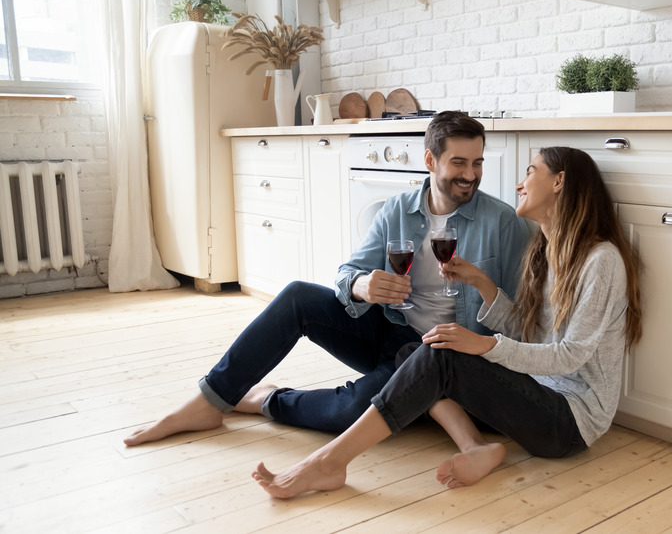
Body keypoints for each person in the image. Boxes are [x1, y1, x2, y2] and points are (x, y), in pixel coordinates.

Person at [249, 145, 643, 498]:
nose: (520, 184)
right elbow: (529, 334)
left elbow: (570, 356)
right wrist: (481, 282)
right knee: (418, 348)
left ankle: (329, 462)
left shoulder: (600, 260)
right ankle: (474, 446)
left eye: (530, 171)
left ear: (559, 182)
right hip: (535, 395)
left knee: (441, 355)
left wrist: (484, 345)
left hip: (569, 421)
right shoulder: (544, 252)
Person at [124, 111, 532, 446]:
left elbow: (521, 317)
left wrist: (482, 288)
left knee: (352, 413)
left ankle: (269, 400)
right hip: (392, 332)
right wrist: (362, 286)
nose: (470, 175)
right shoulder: (397, 211)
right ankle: (209, 399)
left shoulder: (501, 223)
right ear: (430, 161)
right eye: (458, 163)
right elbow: (347, 274)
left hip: (440, 354)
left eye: (477, 163)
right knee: (298, 296)